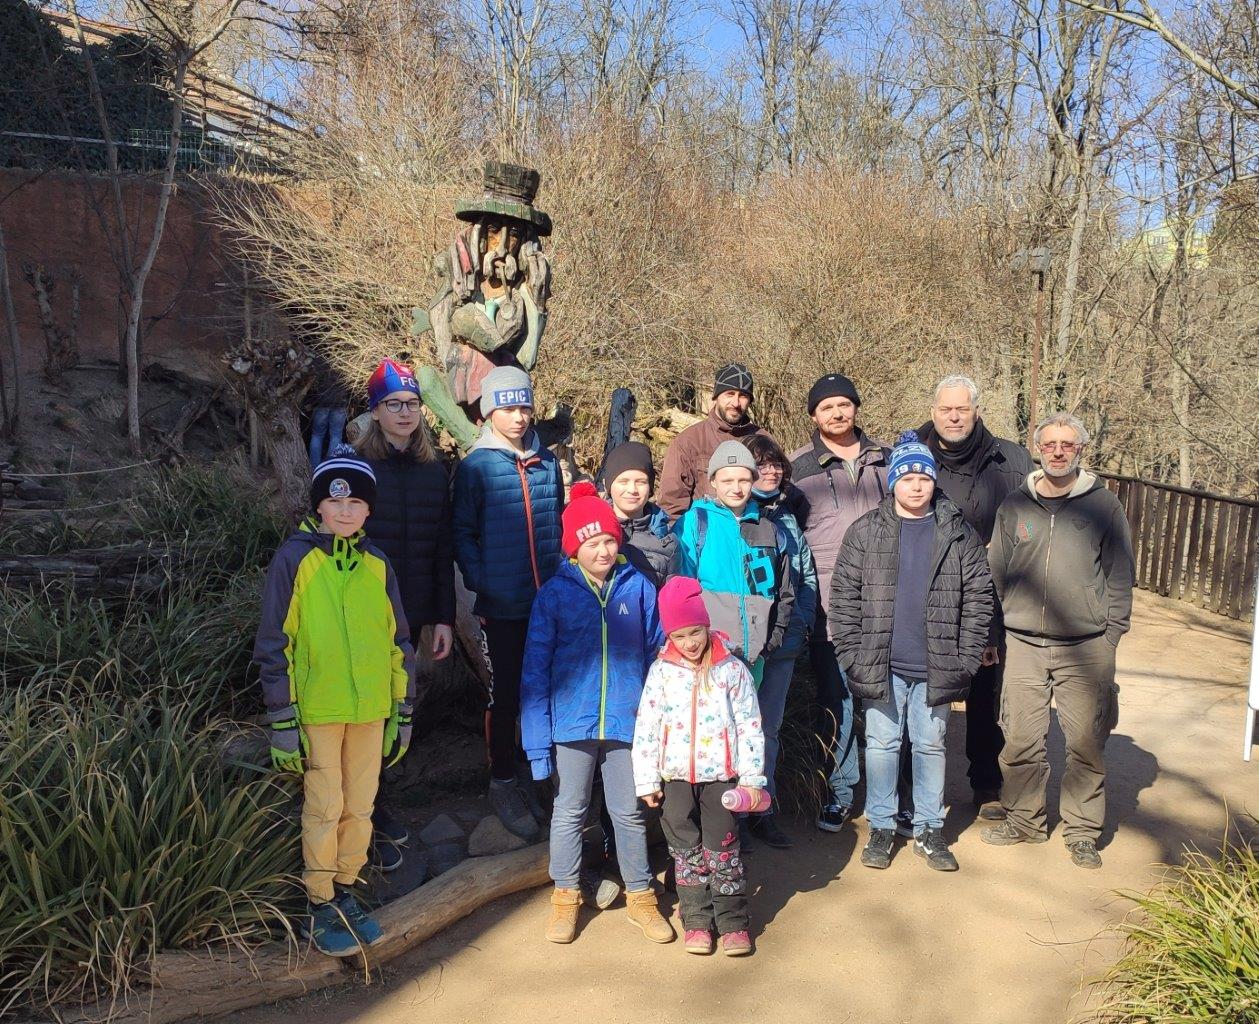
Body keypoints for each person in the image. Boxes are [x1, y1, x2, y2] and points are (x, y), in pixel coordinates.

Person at [253, 446, 416, 956]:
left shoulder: (377, 564)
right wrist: (283, 719)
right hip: (318, 710)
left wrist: (403, 710)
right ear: (319, 505)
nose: (345, 511)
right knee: (324, 807)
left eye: (356, 503)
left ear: (369, 509)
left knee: (360, 806)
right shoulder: (295, 559)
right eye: (335, 501)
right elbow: (274, 642)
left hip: (370, 710)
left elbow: (399, 642)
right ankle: (318, 903)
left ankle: (345, 889)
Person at [831, 431, 993, 872]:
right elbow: (844, 597)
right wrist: (852, 655)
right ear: (893, 482)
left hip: (937, 664)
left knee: (930, 746)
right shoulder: (866, 531)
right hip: (881, 663)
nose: (916, 485)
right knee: (882, 745)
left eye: (924, 477)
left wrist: (965, 658)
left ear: (933, 480)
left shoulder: (958, 532)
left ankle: (928, 829)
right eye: (907, 477)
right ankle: (882, 826)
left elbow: (979, 598)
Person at [521, 483, 673, 945]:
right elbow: (535, 672)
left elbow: (659, 658)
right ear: (574, 548)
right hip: (572, 724)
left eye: (609, 540)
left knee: (628, 813)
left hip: (628, 723)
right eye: (592, 543)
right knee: (569, 810)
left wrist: (659, 728)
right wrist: (537, 746)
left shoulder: (639, 588)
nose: (603, 550)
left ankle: (641, 897)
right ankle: (565, 897)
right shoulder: (554, 595)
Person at [982, 413, 1134, 869]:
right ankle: (1024, 820)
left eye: (1067, 444)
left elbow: (1120, 575)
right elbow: (996, 571)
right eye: (1050, 444)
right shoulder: (1015, 505)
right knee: (1020, 738)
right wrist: (994, 631)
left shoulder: (1103, 506)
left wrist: (1111, 635)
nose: (1058, 452)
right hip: (1023, 643)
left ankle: (1083, 831)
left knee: (1085, 742)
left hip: (1086, 645)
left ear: (1080, 450)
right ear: (1038, 449)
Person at [453, 366, 564, 840]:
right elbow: (462, 532)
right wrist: (484, 581)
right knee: (507, 695)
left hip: (549, 600)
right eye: (508, 408)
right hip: (503, 605)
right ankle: (503, 779)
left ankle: (544, 775)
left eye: (525, 407)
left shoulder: (547, 462)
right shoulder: (476, 467)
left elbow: (559, 520)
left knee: (551, 689)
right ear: (488, 412)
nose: (519, 417)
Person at [354, 358, 456, 870]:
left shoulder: (434, 472)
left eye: (412, 404)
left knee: (397, 710)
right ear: (375, 411)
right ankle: (360, 810)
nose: (404, 413)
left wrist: (443, 617)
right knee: (363, 713)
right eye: (393, 404)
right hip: (359, 615)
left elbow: (441, 549)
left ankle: (379, 802)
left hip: (410, 615)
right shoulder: (357, 468)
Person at [918, 375, 1033, 819]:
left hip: (991, 593)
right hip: (927, 590)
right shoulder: (911, 454)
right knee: (923, 686)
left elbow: (1033, 520)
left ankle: (985, 781)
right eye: (946, 409)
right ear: (933, 411)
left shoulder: (1011, 460)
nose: (954, 417)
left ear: (976, 412)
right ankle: (914, 786)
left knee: (985, 690)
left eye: (962, 409)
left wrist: (1006, 545)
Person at [633, 576, 765, 957]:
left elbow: (750, 724)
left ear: (706, 625)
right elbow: (647, 726)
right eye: (679, 636)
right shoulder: (661, 672)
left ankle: (733, 923)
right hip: (675, 777)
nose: (689, 643)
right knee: (685, 850)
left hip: (721, 777)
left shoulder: (731, 669)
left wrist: (752, 777)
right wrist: (646, 779)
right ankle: (696, 921)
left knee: (723, 848)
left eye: (695, 632)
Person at [788, 373, 890, 833]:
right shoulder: (798, 468)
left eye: (843, 404)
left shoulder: (888, 459)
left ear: (855, 408)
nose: (836, 413)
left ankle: (893, 794)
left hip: (887, 602)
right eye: (826, 407)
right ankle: (839, 790)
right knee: (839, 700)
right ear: (814, 416)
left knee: (889, 701)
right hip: (829, 607)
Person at [740, 433, 818, 849]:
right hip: (739, 646)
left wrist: (801, 622)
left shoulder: (786, 519)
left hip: (783, 642)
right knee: (734, 729)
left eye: (775, 464)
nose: (770, 472)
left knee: (767, 729)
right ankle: (729, 814)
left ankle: (761, 809)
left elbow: (805, 577)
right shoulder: (731, 515)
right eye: (761, 465)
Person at [672, 440, 796, 683]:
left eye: (744, 480)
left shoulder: (769, 530)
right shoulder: (695, 523)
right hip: (707, 656)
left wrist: (771, 643)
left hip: (754, 658)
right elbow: (680, 590)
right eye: (727, 481)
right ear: (713, 481)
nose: (736, 488)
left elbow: (785, 593)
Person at [658, 363, 775, 518]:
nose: (736, 403)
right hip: (706, 530)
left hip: (756, 529)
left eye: (743, 396)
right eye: (729, 394)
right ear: (716, 396)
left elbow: (779, 493)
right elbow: (672, 504)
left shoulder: (764, 440)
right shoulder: (689, 441)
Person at [603, 441, 675, 589]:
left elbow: (673, 595)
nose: (632, 490)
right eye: (623, 481)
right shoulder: (589, 531)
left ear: (650, 487)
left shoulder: (667, 542)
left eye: (641, 482)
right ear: (608, 485)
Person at [307, 350, 350, 468]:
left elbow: (312, 384)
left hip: (321, 403)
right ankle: (331, 467)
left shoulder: (318, 361)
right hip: (340, 403)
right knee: (336, 435)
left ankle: (314, 467)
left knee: (317, 435)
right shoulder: (345, 362)